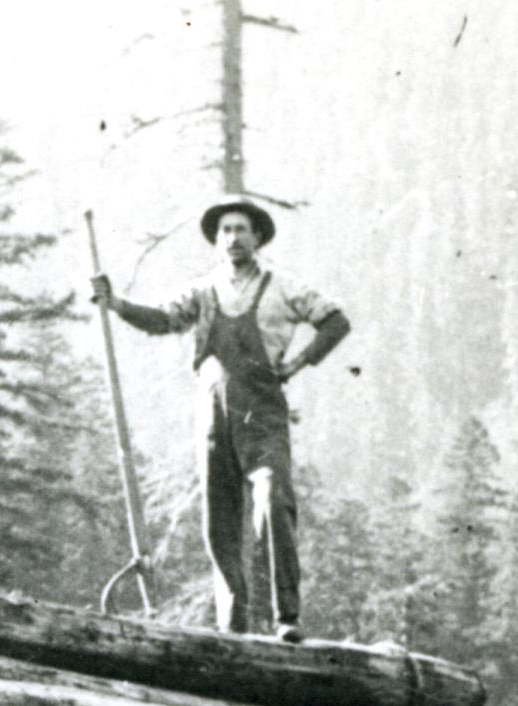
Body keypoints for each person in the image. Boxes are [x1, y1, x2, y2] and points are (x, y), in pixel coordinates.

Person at [89, 196, 351, 635]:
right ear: (217, 239)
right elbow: (162, 319)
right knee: (220, 523)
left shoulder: (283, 287)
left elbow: (335, 322)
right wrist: (115, 303)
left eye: (241, 229)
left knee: (273, 502)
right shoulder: (203, 292)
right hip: (213, 417)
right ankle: (234, 626)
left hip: (262, 415)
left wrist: (296, 363)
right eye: (225, 230)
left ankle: (285, 618)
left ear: (257, 237)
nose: (233, 238)